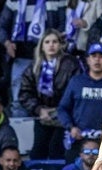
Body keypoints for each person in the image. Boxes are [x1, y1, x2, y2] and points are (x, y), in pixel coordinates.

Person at [0, 0, 66, 117]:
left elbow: (63, 24)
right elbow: (1, 26)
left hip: (48, 58)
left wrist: (53, 42)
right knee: (18, 102)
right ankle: (21, 134)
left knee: (48, 99)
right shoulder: (14, 1)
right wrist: (7, 43)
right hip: (21, 57)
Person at [18, 28, 81, 160]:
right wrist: (39, 109)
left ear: (60, 45)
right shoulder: (34, 66)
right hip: (42, 117)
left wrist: (60, 110)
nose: (51, 45)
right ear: (41, 46)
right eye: (47, 42)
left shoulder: (71, 64)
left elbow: (76, 92)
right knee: (37, 152)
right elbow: (25, 93)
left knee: (56, 151)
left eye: (54, 42)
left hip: (64, 118)